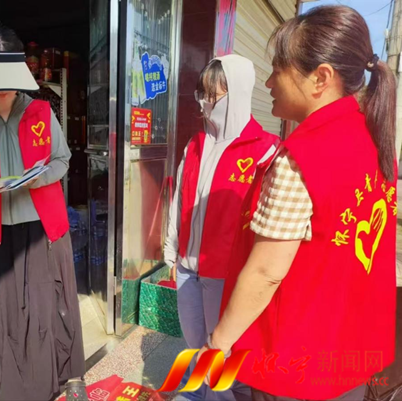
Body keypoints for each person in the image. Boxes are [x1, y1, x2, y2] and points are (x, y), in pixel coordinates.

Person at [198, 5, 397, 401]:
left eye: (278, 69)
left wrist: (216, 344)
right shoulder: (375, 143)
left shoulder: (301, 157)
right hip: (348, 357)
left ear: (321, 77)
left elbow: (266, 272)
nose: (269, 82)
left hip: (293, 363)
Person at [0, 20, 86, 401]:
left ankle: (61, 375)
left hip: (43, 226)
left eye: (9, 78)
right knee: (5, 309)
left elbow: (62, 159)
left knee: (47, 306)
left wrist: (39, 179)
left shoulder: (41, 111)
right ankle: (13, 380)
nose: (3, 87)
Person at [164, 54, 279, 401]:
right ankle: (197, 394)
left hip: (226, 275)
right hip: (188, 269)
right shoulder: (196, 145)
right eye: (202, 94)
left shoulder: (264, 150)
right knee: (194, 344)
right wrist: (172, 251)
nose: (205, 103)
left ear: (238, 93)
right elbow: (180, 200)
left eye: (213, 95)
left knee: (222, 353)